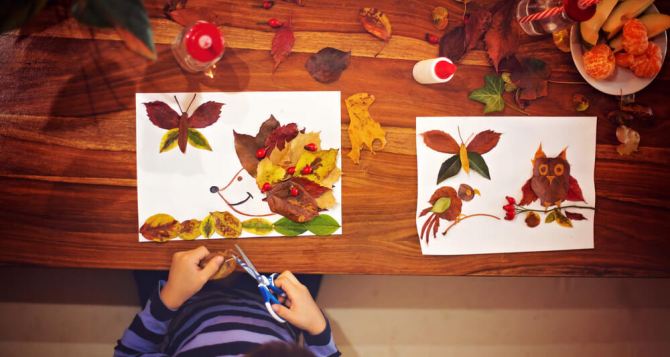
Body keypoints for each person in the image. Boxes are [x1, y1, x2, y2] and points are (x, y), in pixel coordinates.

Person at [114, 246, 340, 356]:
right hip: (280, 304)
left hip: (185, 303)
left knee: (141, 239)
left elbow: (128, 354)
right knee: (316, 246)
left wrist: (169, 299)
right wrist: (316, 328)